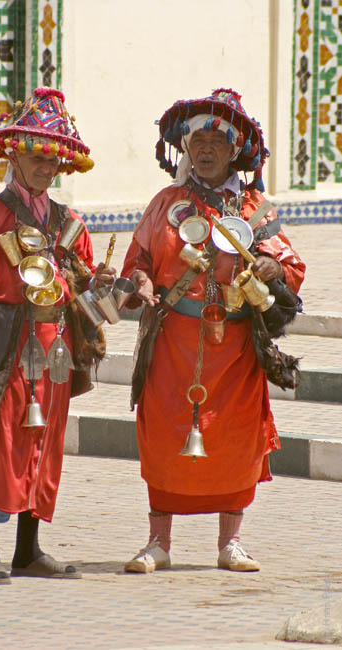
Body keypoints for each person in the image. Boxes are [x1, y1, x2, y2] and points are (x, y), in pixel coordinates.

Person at [0, 87, 115, 585]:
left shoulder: (71, 223)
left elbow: (86, 291)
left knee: (45, 442)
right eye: (36, 155)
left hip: (54, 352)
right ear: (14, 153)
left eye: (53, 158)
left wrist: (112, 288)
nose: (45, 166)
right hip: (3, 348)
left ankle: (28, 550)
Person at [121, 88, 305, 573]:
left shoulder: (254, 209)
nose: (204, 149)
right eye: (196, 140)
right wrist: (139, 280)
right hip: (172, 344)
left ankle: (231, 542)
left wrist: (269, 266)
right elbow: (136, 260)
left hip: (236, 348)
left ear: (234, 150)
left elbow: (291, 265)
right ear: (184, 149)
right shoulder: (166, 204)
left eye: (215, 142)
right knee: (163, 433)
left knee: (236, 437)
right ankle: (158, 541)